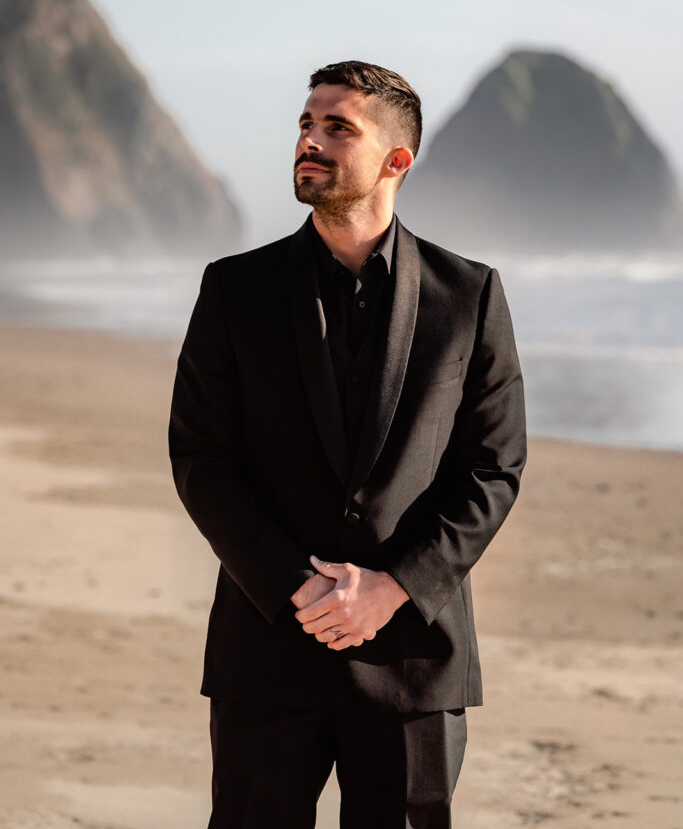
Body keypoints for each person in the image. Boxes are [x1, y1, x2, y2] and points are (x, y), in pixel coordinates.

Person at [168, 60, 527, 828]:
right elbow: (201, 459)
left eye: (338, 127)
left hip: (412, 656)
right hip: (267, 646)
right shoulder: (234, 290)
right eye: (306, 123)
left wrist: (394, 585)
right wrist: (299, 587)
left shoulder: (469, 295)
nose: (311, 140)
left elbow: (492, 469)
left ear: (396, 160)